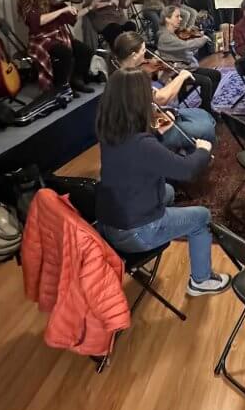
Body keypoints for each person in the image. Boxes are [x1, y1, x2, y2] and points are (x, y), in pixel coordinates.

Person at [95, 69, 230, 296]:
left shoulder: (109, 131)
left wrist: (158, 135)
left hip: (109, 221)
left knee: (166, 191)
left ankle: (163, 222)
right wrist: (202, 151)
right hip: (136, 232)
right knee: (202, 217)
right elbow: (186, 170)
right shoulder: (142, 145)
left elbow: (142, 157)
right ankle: (201, 280)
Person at [111, 31, 216, 150]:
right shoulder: (130, 78)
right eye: (143, 50)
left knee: (203, 115)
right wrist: (181, 76)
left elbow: (149, 99)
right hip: (148, 131)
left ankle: (188, 151)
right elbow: (161, 99)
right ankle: (197, 158)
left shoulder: (118, 73)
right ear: (134, 55)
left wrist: (162, 80)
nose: (146, 54)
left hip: (153, 116)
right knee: (207, 127)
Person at [16, 0, 95, 93]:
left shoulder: (54, 0)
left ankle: (76, 80)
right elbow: (38, 21)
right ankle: (61, 86)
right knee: (65, 53)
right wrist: (62, 10)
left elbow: (72, 16)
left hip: (58, 35)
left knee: (85, 51)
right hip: (41, 40)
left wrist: (90, 7)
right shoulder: (27, 2)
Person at [156, 5, 221, 114]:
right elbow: (186, 46)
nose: (180, 19)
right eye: (177, 16)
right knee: (206, 81)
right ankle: (206, 110)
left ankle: (205, 105)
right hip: (176, 71)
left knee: (216, 75)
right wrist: (203, 39)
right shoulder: (165, 37)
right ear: (167, 19)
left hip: (187, 67)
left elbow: (185, 51)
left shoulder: (172, 34)